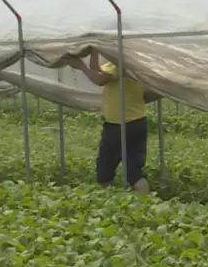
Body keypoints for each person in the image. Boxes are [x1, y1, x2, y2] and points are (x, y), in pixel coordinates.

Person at [66, 49, 159, 192]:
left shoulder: (120, 64)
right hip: (138, 121)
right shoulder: (134, 65)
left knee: (105, 167)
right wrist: (94, 52)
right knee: (134, 170)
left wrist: (80, 66)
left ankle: (106, 199)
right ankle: (144, 206)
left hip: (119, 124)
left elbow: (99, 80)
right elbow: (98, 71)